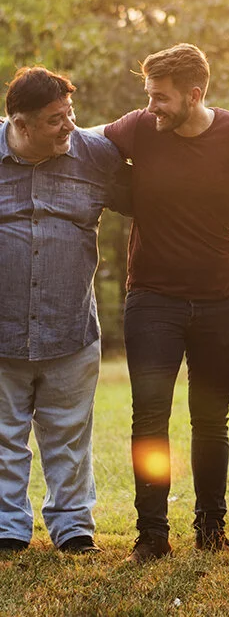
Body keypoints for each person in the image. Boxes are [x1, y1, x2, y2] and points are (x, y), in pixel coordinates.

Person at [99, 43, 229, 562]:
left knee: (212, 420)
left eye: (161, 97)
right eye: (148, 96)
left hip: (221, 299)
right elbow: (82, 144)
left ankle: (211, 530)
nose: (152, 106)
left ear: (195, 94)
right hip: (152, 300)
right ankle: (152, 535)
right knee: (150, 420)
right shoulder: (140, 128)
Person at [0, 67, 122, 554]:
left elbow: (156, 191)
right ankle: (8, 528)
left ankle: (73, 528)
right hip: (2, 330)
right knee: (3, 438)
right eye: (55, 120)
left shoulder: (95, 155)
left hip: (69, 326)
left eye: (70, 114)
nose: (68, 126)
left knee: (69, 438)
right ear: (21, 125)